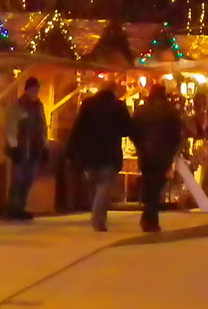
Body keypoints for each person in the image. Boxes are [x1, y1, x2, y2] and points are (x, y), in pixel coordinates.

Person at [66, 81, 134, 231]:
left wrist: (71, 150)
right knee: (104, 185)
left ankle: (96, 213)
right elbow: (127, 129)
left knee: (94, 184)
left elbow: (78, 127)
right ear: (114, 91)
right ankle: (98, 218)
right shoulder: (118, 106)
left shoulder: (88, 104)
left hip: (89, 154)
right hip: (110, 153)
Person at [132, 83, 184, 233]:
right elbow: (176, 134)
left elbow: (134, 130)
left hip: (145, 153)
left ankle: (149, 216)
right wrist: (172, 150)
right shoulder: (171, 111)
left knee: (149, 183)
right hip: (163, 153)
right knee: (156, 185)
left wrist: (140, 146)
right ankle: (150, 218)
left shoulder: (142, 110)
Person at [5, 77, 48, 220]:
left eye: (37, 89)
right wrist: (14, 146)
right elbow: (11, 126)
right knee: (18, 180)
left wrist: (44, 145)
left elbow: (43, 127)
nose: (35, 92)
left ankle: (21, 207)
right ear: (27, 90)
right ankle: (13, 208)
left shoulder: (39, 106)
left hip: (34, 150)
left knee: (28, 180)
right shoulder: (18, 106)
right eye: (33, 89)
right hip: (22, 149)